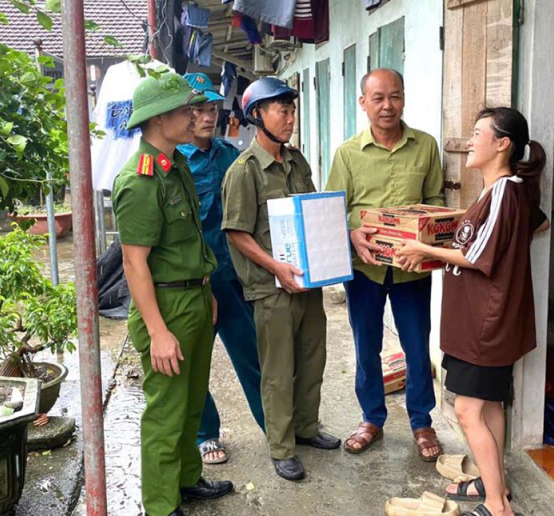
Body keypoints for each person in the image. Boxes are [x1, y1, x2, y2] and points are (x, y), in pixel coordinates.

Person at [397, 107, 549, 516]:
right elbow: (538, 224)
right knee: (491, 406)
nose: (469, 141)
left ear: (502, 144)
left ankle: (497, 506)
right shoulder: (508, 191)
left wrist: (422, 249)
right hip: (487, 320)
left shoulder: (503, 192)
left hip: (485, 324)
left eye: (478, 133)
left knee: (466, 410)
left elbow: (475, 255)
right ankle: (493, 482)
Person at [112, 72, 233, 516]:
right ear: (160, 118)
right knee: (165, 410)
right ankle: (162, 505)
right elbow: (134, 264)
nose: (194, 116)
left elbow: (190, 239)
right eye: (185, 110)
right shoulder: (141, 180)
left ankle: (186, 480)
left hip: (194, 297)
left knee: (192, 400)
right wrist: (158, 331)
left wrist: (205, 289)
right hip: (165, 307)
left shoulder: (175, 163)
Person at [221, 77, 340, 481]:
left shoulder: (296, 161)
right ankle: (282, 447)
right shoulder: (245, 171)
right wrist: (276, 268)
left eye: (292, 111)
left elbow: (312, 210)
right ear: (257, 115)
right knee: (277, 370)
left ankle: (307, 427)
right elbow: (236, 233)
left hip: (307, 280)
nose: (290, 118)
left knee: (312, 358)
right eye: (282, 111)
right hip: (270, 288)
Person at [325, 68, 444, 461]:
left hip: (412, 268)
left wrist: (426, 232)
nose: (387, 105)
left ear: (404, 98)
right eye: (378, 98)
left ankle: (422, 422)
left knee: (416, 346)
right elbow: (333, 209)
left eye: (395, 96)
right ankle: (372, 418)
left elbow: (436, 200)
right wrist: (351, 230)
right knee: (367, 347)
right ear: (363, 103)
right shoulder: (347, 153)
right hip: (365, 269)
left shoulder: (425, 146)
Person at [177, 72, 265, 465]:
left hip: (233, 278)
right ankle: (205, 433)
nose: (208, 116)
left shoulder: (231, 156)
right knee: (196, 365)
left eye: (212, 108)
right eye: (198, 109)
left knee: (253, 355)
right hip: (195, 282)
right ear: (183, 113)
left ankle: (275, 426)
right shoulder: (175, 163)